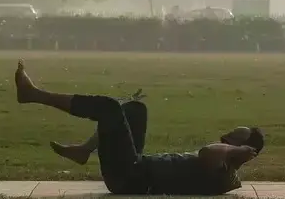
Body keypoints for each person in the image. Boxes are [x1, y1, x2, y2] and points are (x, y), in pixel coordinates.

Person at [13, 61, 264, 195]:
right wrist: (234, 148)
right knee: (135, 109)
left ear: (247, 151)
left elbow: (206, 153)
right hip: (134, 167)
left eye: (234, 138)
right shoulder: (225, 163)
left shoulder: (225, 173)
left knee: (109, 107)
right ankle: (84, 151)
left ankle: (33, 94)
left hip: (129, 179)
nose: (226, 136)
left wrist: (234, 151)